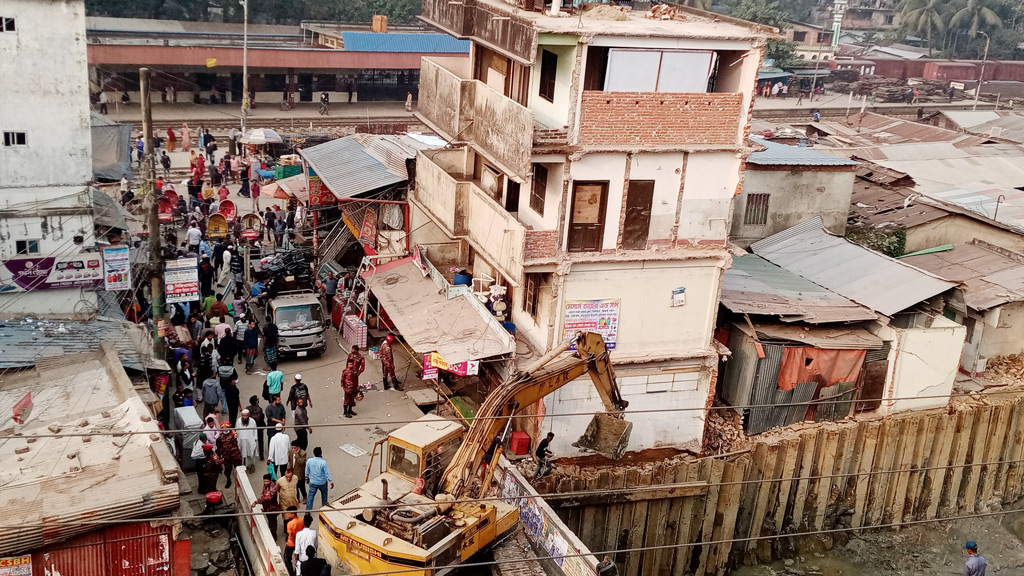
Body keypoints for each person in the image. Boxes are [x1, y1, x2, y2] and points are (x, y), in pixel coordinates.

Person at [216, 421, 242, 488]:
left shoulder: (233, 434)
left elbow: (236, 436)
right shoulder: (220, 437)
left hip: (235, 455)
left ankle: (239, 481)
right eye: (224, 427)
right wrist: (220, 456)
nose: (225, 428)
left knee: (238, 469)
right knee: (227, 470)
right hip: (227, 456)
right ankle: (228, 480)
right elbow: (219, 447)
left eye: (227, 427)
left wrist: (234, 432)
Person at [283, 507, 302, 576]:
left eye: (289, 513)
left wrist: (294, 544)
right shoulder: (301, 520)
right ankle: (297, 572)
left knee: (287, 558)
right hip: (299, 542)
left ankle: (291, 573)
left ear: (293, 514)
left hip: (291, 543)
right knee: (299, 558)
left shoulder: (290, 524)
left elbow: (290, 535)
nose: (287, 515)